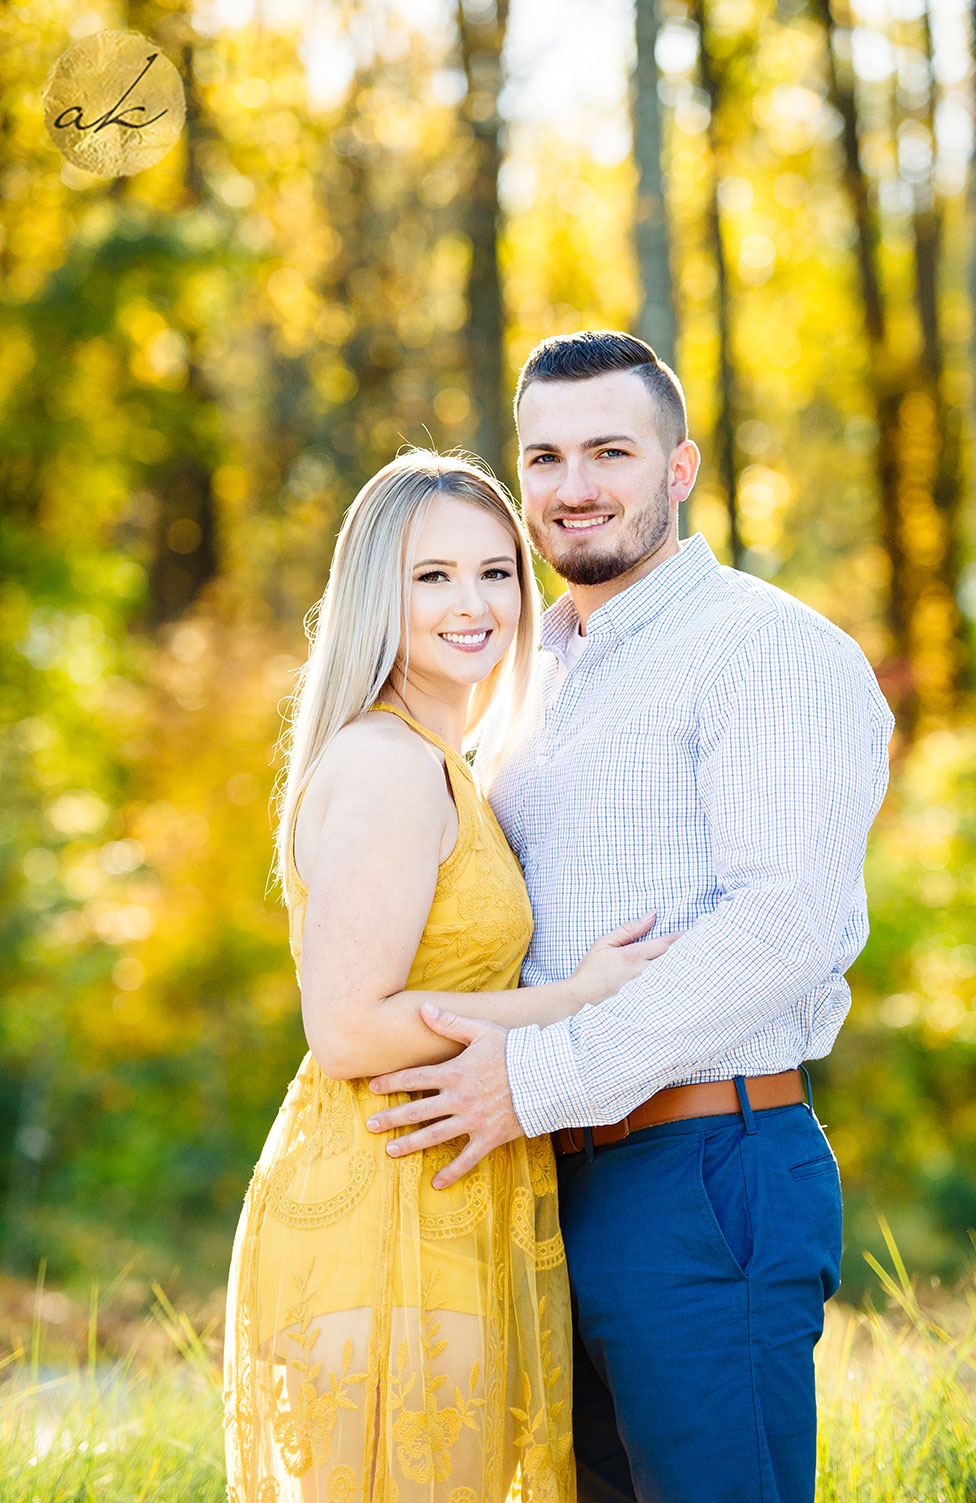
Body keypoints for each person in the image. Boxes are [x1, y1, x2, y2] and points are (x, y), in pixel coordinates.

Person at [365, 333, 895, 1503]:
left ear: (679, 467)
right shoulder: (524, 668)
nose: (573, 486)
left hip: (704, 1167)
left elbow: (790, 922)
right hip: (544, 1176)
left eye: (610, 449)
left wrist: (542, 1073)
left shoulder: (768, 653)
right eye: (543, 457)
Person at [222, 449, 672, 1503]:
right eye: (432, 577)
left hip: (441, 1195)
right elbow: (346, 1030)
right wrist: (572, 999)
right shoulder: (388, 765)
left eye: (495, 572)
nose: (473, 604)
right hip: (383, 1209)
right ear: (377, 594)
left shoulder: (441, 762)